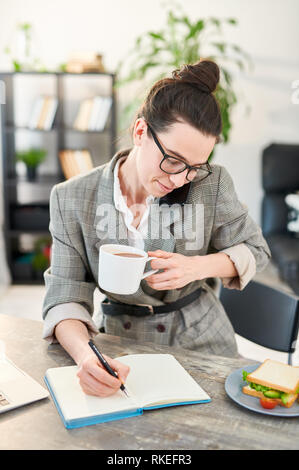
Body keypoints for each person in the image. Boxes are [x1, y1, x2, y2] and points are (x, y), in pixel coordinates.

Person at [42, 59, 271, 398]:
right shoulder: (72, 198)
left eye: (193, 167)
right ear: (140, 132)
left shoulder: (211, 183)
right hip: (122, 343)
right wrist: (86, 357)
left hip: (202, 342)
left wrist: (197, 267)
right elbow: (64, 295)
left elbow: (256, 251)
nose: (179, 179)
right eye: (173, 160)